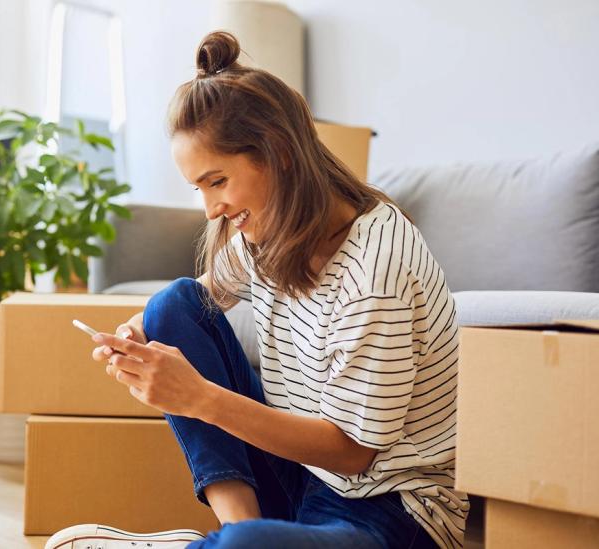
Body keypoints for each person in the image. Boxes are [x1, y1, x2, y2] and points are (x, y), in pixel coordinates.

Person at [46, 31, 468, 549]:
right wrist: (138, 337)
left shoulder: (375, 271)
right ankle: (237, 528)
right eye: (199, 188)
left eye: (217, 182)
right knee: (171, 304)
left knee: (250, 548)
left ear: (279, 153)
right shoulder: (267, 234)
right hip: (304, 479)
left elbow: (354, 454)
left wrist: (199, 397)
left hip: (391, 511)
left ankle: (230, 543)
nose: (211, 210)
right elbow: (196, 301)